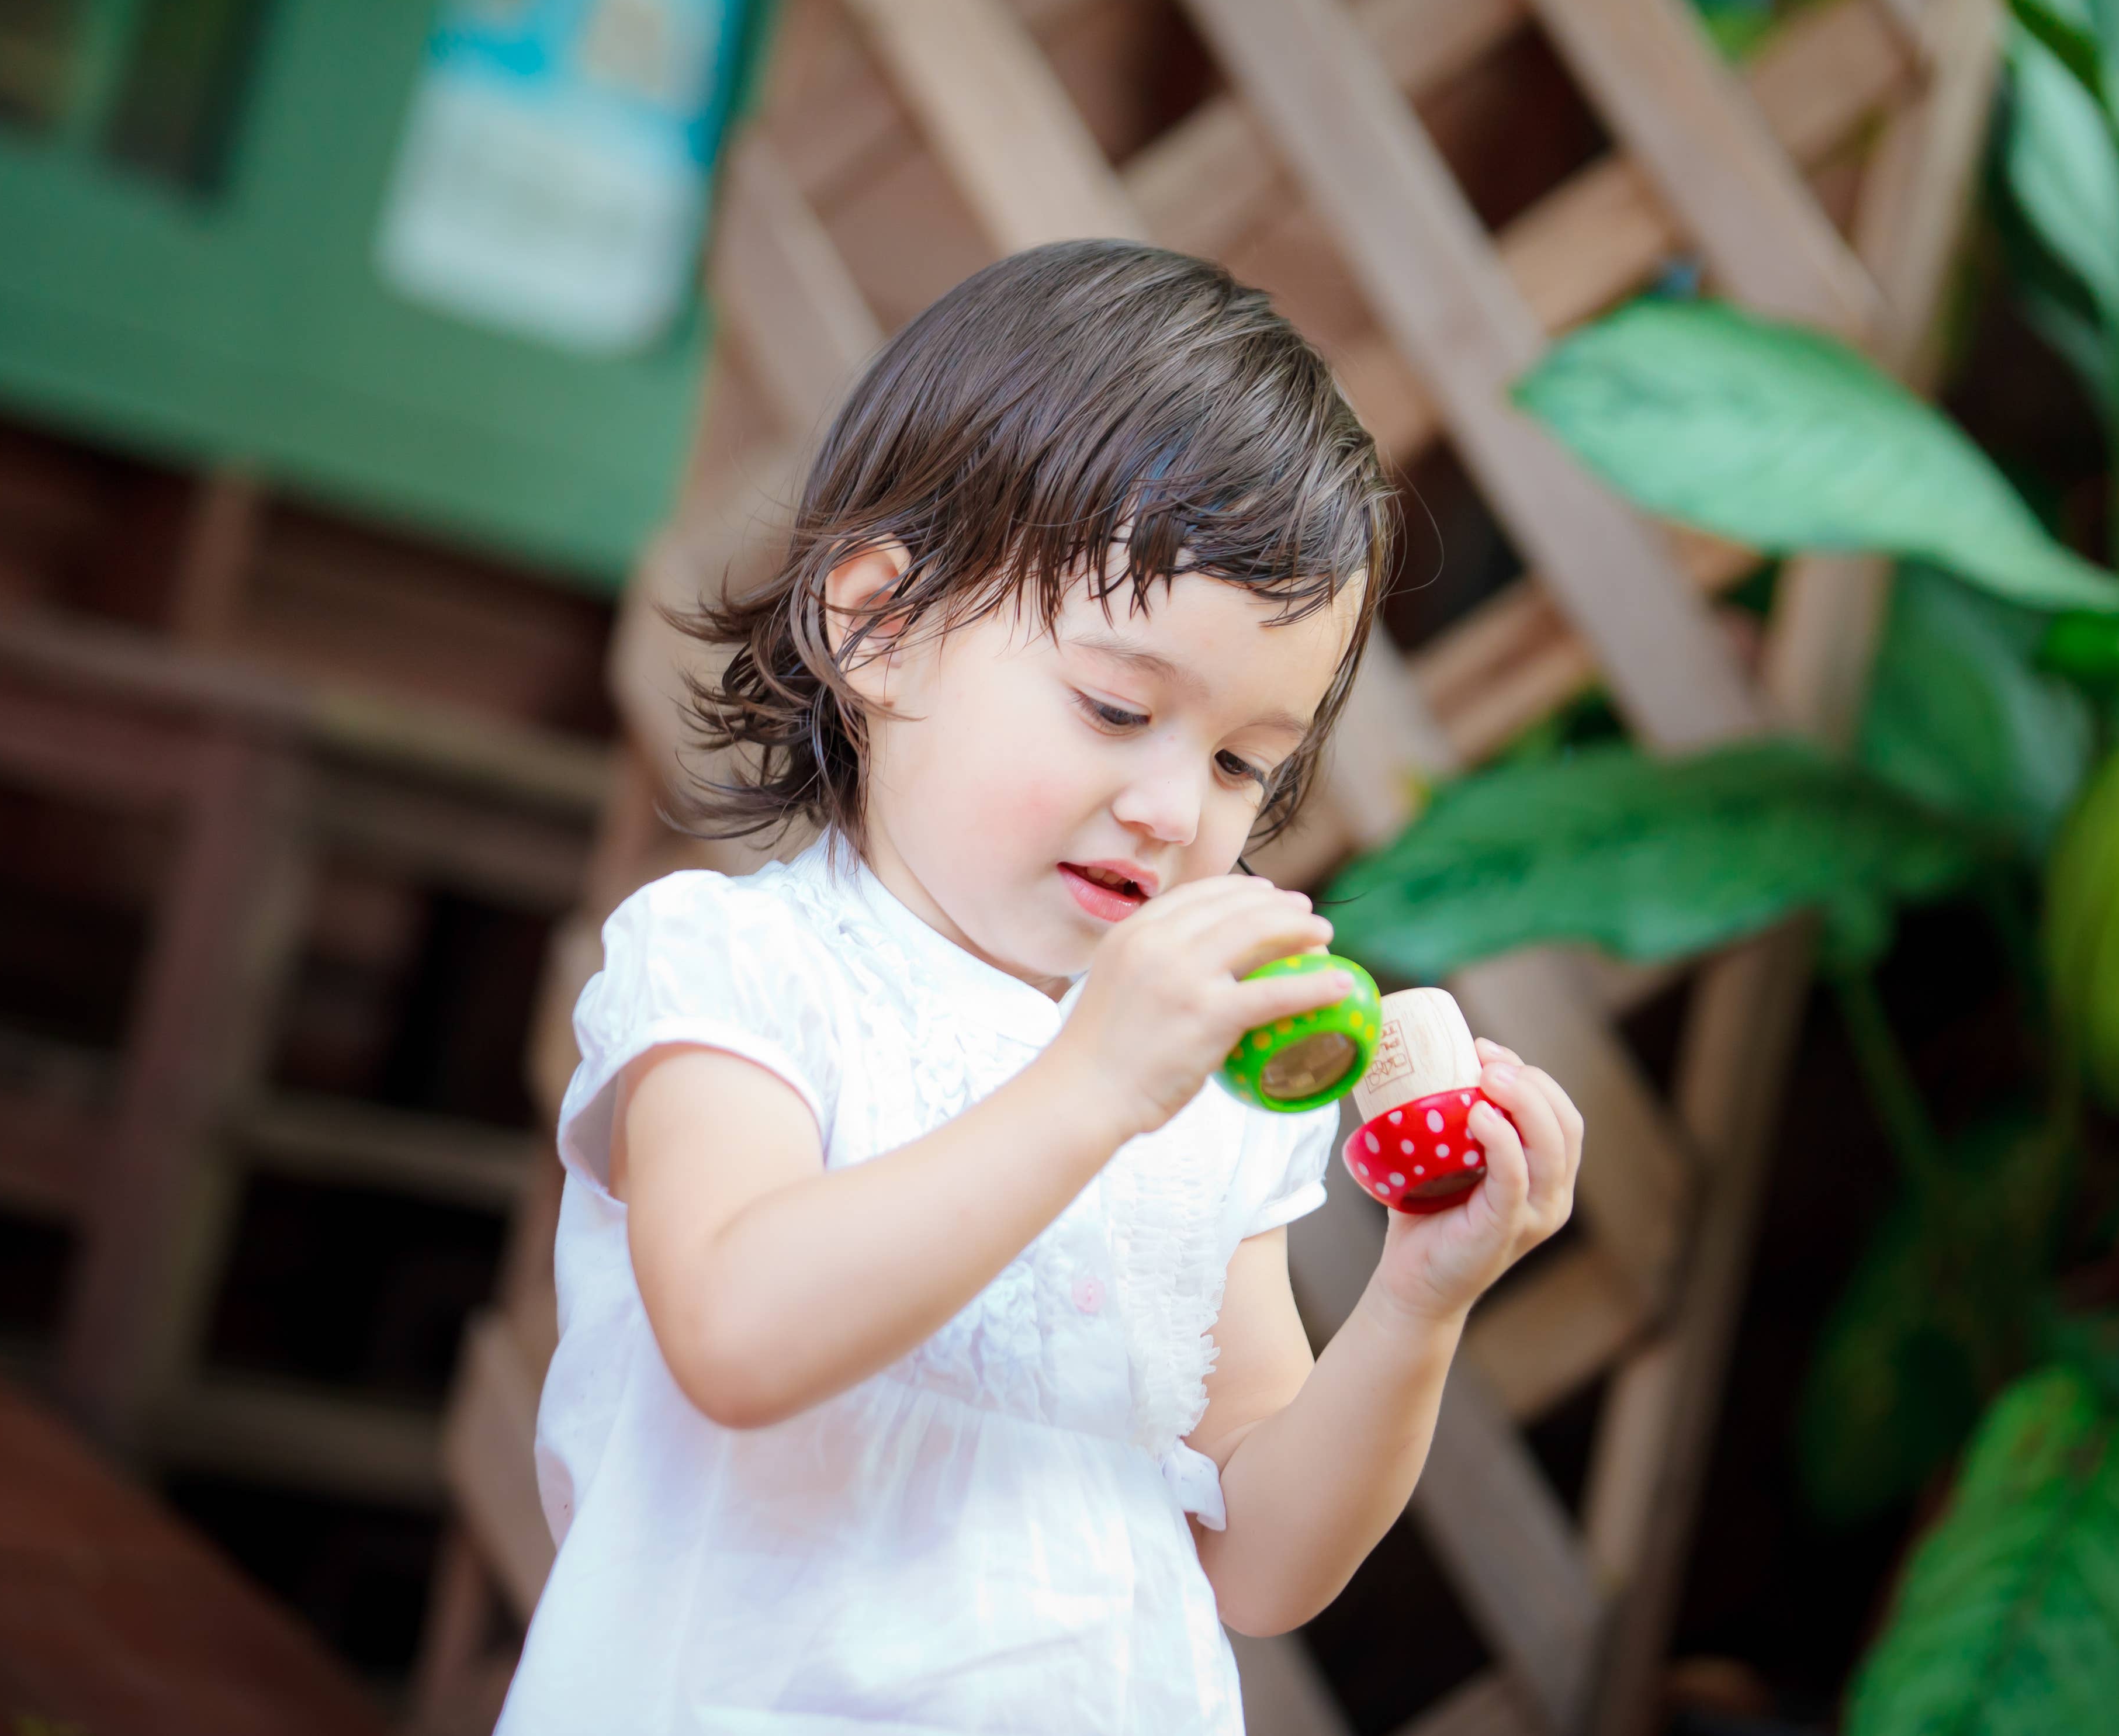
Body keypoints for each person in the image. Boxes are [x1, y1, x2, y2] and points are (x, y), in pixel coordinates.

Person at [496, 240, 1587, 1734]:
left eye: (1237, 764)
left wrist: (1419, 1301)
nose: (1168, 806)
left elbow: (1258, 1562)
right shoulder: (742, 972)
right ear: (876, 626)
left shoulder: (1200, 1088)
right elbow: (739, 1336)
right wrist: (1086, 1090)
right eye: (1116, 708)